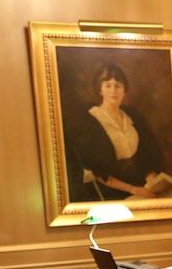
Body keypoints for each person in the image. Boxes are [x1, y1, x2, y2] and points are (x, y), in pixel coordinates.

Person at [67, 63, 165, 201]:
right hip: (111, 190)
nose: (113, 90)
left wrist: (150, 177)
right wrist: (133, 189)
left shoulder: (132, 115)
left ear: (124, 90)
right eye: (108, 85)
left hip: (141, 183)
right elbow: (99, 173)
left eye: (118, 85)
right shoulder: (89, 121)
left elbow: (146, 152)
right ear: (100, 90)